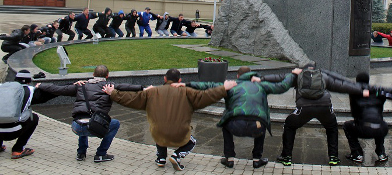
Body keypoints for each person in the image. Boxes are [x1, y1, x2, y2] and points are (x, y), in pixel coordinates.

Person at [103, 69, 235, 171]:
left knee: (159, 129)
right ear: (180, 80)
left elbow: (131, 98)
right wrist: (223, 89)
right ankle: (177, 156)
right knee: (192, 141)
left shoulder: (152, 92)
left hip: (159, 134)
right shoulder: (187, 92)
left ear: (164, 78)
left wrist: (113, 93)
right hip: (180, 134)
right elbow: (206, 96)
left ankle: (161, 159)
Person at [256, 64, 369, 166]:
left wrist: (261, 79)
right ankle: (333, 157)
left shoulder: (297, 75)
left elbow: (279, 77)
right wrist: (360, 91)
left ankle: (286, 157)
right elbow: (341, 85)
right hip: (325, 107)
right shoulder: (323, 76)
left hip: (303, 109)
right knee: (332, 128)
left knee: (290, 125)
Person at [186, 66, 297, 169]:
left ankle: (229, 158)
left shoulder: (231, 85)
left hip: (235, 125)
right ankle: (257, 159)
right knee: (260, 122)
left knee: (225, 124)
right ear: (251, 75)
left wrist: (186, 84)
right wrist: (293, 74)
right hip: (256, 127)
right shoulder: (261, 85)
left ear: (238, 76)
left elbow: (207, 85)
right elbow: (282, 86)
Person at [38, 65, 143, 162]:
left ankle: (81, 153)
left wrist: (41, 85)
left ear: (93, 75)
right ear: (107, 76)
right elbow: (126, 87)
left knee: (84, 117)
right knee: (114, 123)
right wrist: (144, 87)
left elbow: (57, 89)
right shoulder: (109, 87)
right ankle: (101, 154)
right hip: (95, 128)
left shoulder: (81, 85)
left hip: (76, 127)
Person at [0, 70, 56, 159]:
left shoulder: (1, 87)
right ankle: (18, 150)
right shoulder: (30, 91)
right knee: (34, 117)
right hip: (14, 131)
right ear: (29, 81)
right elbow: (52, 92)